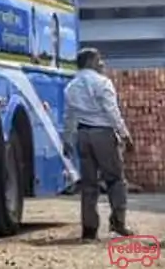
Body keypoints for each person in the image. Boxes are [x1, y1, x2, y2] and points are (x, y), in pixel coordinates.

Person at [63, 47, 135, 240]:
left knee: (89, 184)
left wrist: (67, 140)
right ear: (90, 62)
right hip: (103, 134)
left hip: (83, 135)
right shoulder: (102, 83)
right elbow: (112, 112)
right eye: (99, 60)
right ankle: (118, 222)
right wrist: (125, 134)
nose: (102, 63)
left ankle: (89, 230)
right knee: (115, 180)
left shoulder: (71, 87)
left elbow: (69, 117)